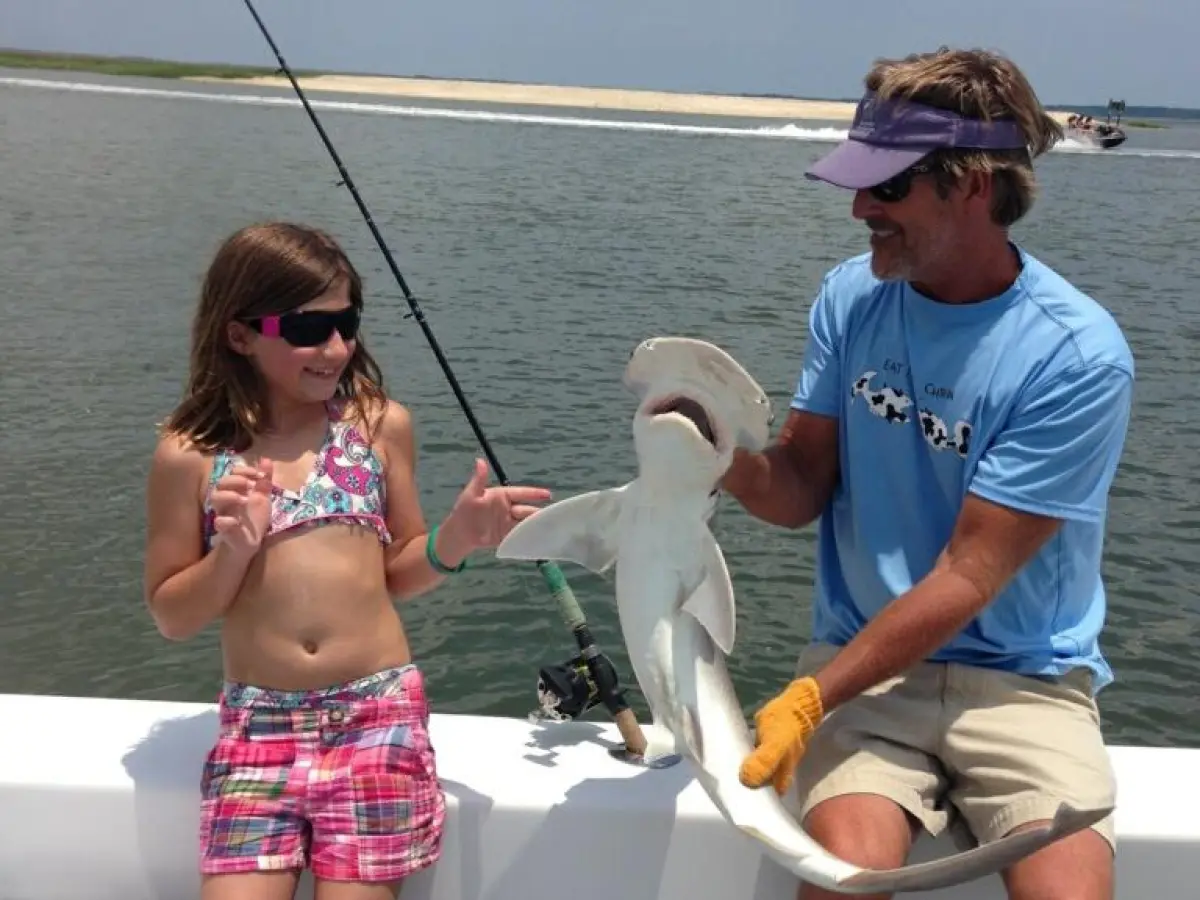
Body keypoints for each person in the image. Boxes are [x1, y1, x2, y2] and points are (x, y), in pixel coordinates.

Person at [721, 47, 1134, 900]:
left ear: (973, 185)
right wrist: (718, 456)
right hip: (870, 672)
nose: (860, 208)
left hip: (1026, 683)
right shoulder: (850, 299)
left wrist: (807, 699)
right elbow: (800, 483)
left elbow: (971, 570)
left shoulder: (1077, 356)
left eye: (888, 186)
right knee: (843, 878)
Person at [143, 221, 551, 900]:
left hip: (375, 717)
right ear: (239, 333)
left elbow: (399, 570)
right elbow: (170, 616)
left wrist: (459, 538)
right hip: (257, 726)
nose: (335, 346)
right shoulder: (189, 454)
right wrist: (232, 554)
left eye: (347, 322)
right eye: (307, 328)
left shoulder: (377, 426)